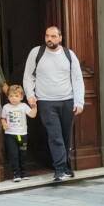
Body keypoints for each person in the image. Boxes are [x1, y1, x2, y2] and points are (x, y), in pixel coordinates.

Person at [23, 26, 85, 181]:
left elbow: (77, 79)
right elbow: (28, 76)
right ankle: (59, 169)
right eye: (47, 36)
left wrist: (79, 101)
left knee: (65, 136)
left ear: (60, 37)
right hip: (45, 102)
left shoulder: (69, 55)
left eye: (53, 36)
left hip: (67, 101)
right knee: (55, 135)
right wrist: (30, 95)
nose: (49, 39)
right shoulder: (37, 53)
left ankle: (66, 165)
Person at [0, 84, 38, 182]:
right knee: (14, 154)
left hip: (22, 135)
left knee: (23, 154)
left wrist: (34, 107)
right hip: (10, 135)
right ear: (8, 97)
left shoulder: (23, 106)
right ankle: (16, 174)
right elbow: (3, 118)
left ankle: (24, 173)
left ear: (21, 97)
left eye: (16, 96)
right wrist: (4, 124)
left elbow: (32, 115)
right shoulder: (6, 107)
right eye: (11, 96)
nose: (13, 98)